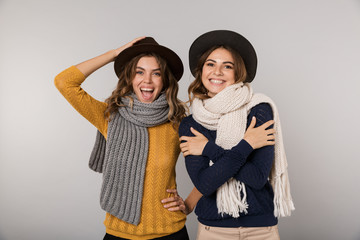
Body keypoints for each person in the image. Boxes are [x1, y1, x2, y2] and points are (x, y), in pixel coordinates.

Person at [54, 37, 190, 240]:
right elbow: (64, 82)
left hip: (170, 232)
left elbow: (214, 165)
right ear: (129, 77)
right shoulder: (109, 116)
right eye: (139, 72)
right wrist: (115, 54)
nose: (147, 81)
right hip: (119, 233)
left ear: (165, 80)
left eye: (156, 74)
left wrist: (189, 204)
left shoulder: (178, 122)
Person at [178, 30, 295, 240]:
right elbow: (205, 183)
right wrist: (247, 143)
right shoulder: (190, 124)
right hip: (212, 231)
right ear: (201, 70)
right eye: (211, 64)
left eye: (227, 66)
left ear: (238, 72)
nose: (218, 72)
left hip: (261, 230)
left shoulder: (259, 110)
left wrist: (208, 148)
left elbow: (258, 178)